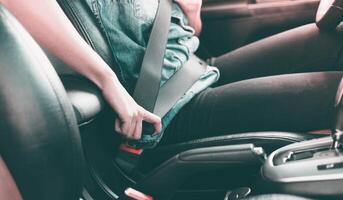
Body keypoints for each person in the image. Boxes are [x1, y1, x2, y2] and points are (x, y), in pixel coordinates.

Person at [2, 0, 343, 147]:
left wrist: (189, 10)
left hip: (192, 67)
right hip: (163, 106)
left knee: (330, 37)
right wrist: (106, 81)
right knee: (334, 93)